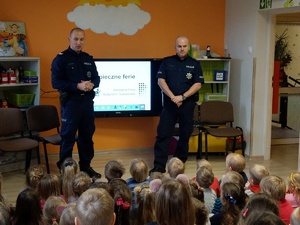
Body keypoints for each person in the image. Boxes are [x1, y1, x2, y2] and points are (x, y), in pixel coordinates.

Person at [51, 27, 101, 179]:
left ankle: (86, 167)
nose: (79, 42)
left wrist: (92, 84)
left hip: (87, 103)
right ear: (69, 39)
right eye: (76, 39)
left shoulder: (88, 58)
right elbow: (56, 82)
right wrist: (76, 86)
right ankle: (66, 170)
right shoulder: (61, 59)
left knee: (87, 136)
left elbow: (97, 78)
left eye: (81, 39)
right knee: (68, 137)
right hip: (71, 104)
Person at [150, 35, 204, 174]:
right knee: (163, 134)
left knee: (185, 135)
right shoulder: (167, 62)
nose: (182, 48)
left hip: (187, 104)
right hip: (170, 104)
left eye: (184, 46)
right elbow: (160, 81)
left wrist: (183, 97)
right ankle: (159, 166)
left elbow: (198, 84)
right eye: (179, 46)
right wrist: (173, 97)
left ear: (188, 47)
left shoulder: (195, 63)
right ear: (175, 47)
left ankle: (178, 165)